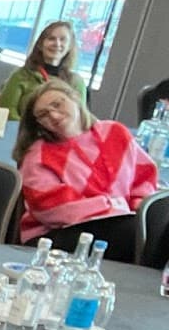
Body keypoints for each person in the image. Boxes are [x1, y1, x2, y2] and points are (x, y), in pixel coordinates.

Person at [13, 81, 158, 246]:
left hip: (120, 221)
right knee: (134, 236)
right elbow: (52, 209)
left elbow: (143, 178)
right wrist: (115, 208)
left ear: (75, 98)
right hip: (55, 233)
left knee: (155, 231)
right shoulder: (38, 156)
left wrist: (138, 208)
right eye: (43, 115)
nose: (53, 115)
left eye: (57, 104)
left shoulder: (115, 132)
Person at [0, 21, 88, 120]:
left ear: (70, 46)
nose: (57, 44)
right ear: (40, 44)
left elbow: (79, 119)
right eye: (51, 38)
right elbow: (7, 111)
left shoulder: (76, 82)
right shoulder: (21, 76)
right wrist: (29, 132)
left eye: (63, 40)